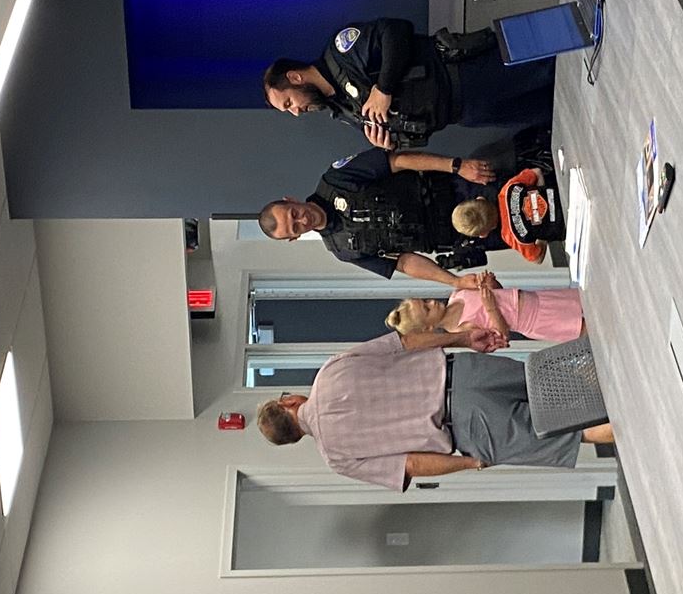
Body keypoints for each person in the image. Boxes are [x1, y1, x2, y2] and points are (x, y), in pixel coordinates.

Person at [256, 326, 612, 490]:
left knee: (574, 434)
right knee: (563, 382)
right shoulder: (330, 370)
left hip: (468, 429)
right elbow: (405, 342)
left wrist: (471, 463)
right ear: (289, 403)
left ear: (294, 438)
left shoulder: (337, 458)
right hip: (465, 373)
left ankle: (641, 422)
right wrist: (461, 337)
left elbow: (411, 464)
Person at [265, 16, 554, 149]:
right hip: (466, 114)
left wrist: (384, 88)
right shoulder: (340, 111)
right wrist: (388, 143)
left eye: (288, 102)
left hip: (466, 74)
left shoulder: (341, 53)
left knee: (557, 64)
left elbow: (395, 31)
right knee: (552, 109)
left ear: (295, 77)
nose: (296, 112)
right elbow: (394, 125)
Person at [259, 148, 509, 285]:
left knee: (526, 190)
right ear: (294, 238)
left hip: (460, 188)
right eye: (295, 228)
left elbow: (398, 161)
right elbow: (403, 263)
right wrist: (454, 282)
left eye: (294, 213)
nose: (302, 220)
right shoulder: (343, 250)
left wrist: (457, 166)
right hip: (464, 235)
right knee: (528, 229)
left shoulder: (335, 179)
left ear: (290, 199)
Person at [386, 268, 584, 345]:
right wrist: (490, 308)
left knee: (588, 299)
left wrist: (490, 282)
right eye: (428, 309)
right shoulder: (461, 330)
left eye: (425, 300)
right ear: (429, 327)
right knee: (588, 328)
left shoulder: (457, 294)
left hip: (538, 298)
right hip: (535, 321)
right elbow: (502, 335)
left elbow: (499, 295)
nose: (432, 302)